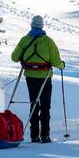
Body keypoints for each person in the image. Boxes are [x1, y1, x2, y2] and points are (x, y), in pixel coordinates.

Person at [11, 15, 65, 143]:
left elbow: (14, 57)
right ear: (42, 26)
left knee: (33, 104)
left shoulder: (25, 40)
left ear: (31, 25)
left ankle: (34, 135)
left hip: (30, 76)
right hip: (45, 78)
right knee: (45, 106)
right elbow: (56, 62)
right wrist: (62, 65)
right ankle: (45, 135)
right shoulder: (48, 41)